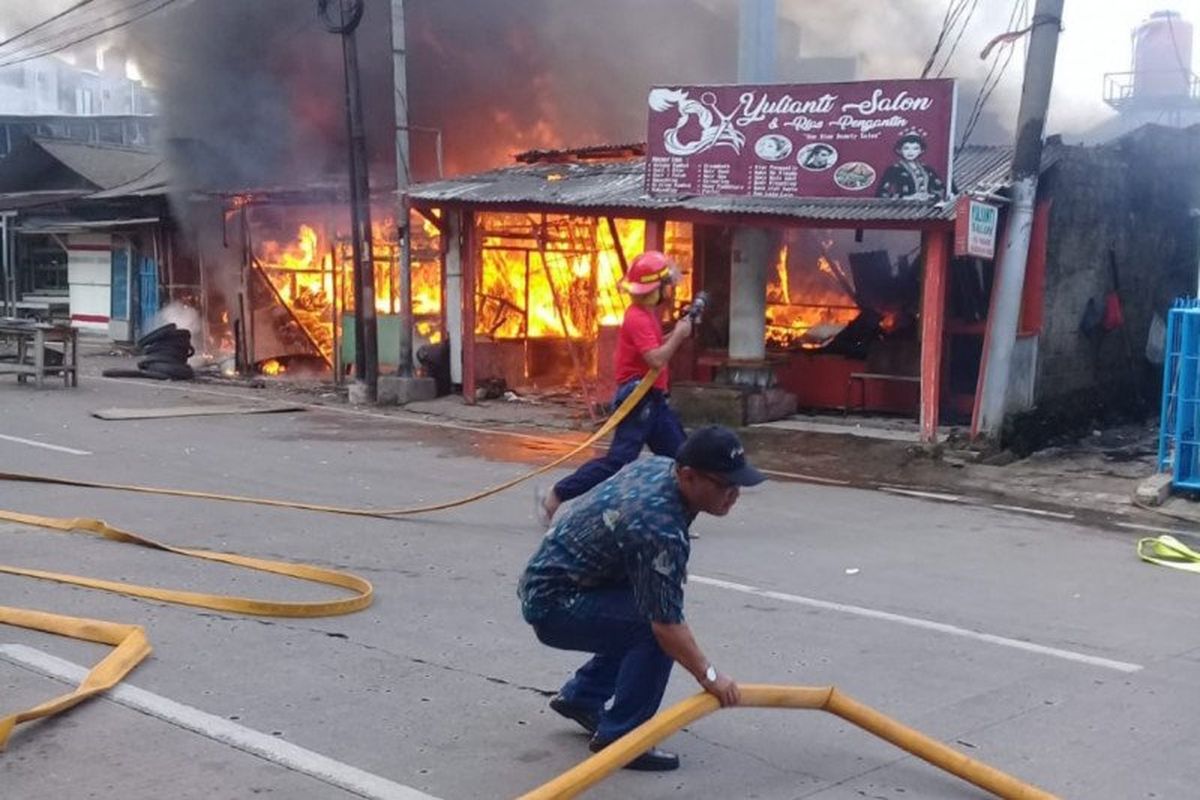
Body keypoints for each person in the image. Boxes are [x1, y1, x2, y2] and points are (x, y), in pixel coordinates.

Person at [518, 425, 765, 771]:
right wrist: (711, 678)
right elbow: (667, 627)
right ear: (689, 475)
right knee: (654, 629)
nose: (734, 495)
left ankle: (582, 697)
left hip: (574, 581)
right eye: (724, 485)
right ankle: (622, 738)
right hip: (555, 603)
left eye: (738, 484)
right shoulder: (658, 525)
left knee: (641, 610)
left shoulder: (660, 468)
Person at [536, 250, 693, 525]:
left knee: (681, 457)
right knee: (619, 461)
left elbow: (654, 349)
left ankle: (676, 517)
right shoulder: (638, 318)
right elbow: (656, 358)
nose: (670, 290)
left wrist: (678, 331)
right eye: (666, 285)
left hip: (653, 399)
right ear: (655, 290)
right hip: (639, 401)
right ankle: (556, 495)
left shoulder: (646, 314)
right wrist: (679, 336)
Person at [875, 130, 945, 201]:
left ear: (921, 150)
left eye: (915, 148)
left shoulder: (927, 169)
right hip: (903, 209)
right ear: (899, 150)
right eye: (906, 148)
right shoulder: (893, 170)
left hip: (928, 209)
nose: (910, 152)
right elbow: (882, 194)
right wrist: (908, 198)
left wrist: (930, 196)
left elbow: (942, 190)